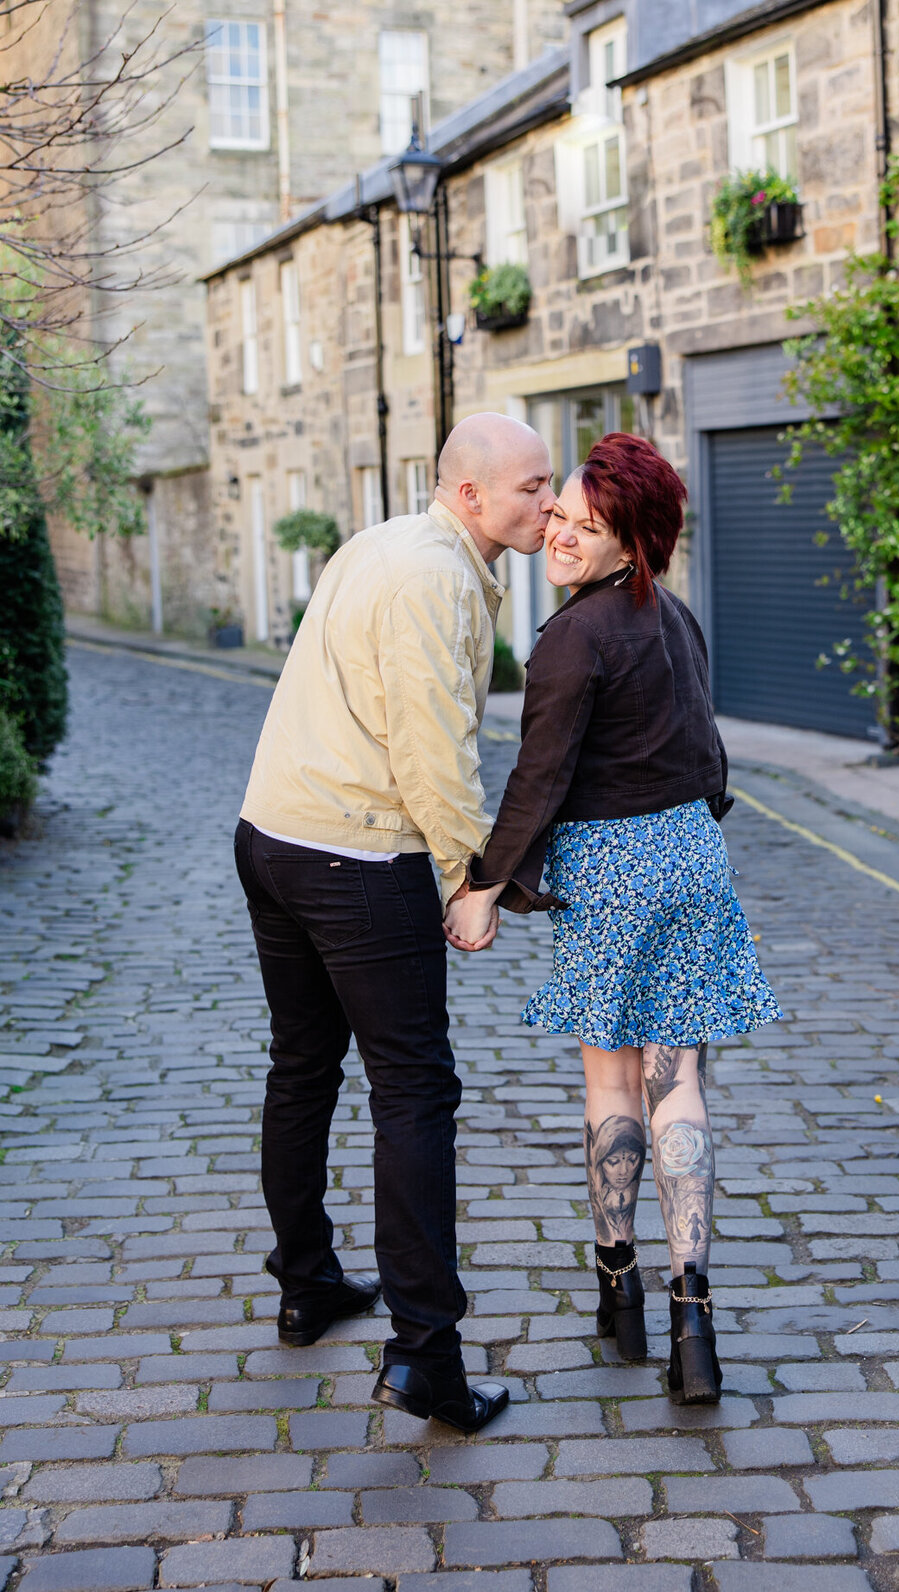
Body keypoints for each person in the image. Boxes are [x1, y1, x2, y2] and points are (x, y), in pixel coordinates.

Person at [234, 412, 555, 1434]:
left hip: (272, 836)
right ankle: (427, 1357)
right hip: (356, 856)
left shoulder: (381, 543)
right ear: (471, 494)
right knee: (414, 1092)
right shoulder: (436, 579)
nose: (550, 504)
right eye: (531, 488)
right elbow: (432, 754)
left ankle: (308, 1284)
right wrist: (477, 879)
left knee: (303, 1065)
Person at [446, 432, 779, 1404]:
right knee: (683, 1089)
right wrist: (687, 832)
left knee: (612, 1088)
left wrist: (482, 886)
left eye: (587, 526)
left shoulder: (570, 640)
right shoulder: (675, 618)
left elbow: (537, 781)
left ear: (633, 539)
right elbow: (708, 757)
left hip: (612, 871)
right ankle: (695, 1322)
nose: (560, 533)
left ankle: (617, 1286)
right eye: (560, 514)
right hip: (692, 858)